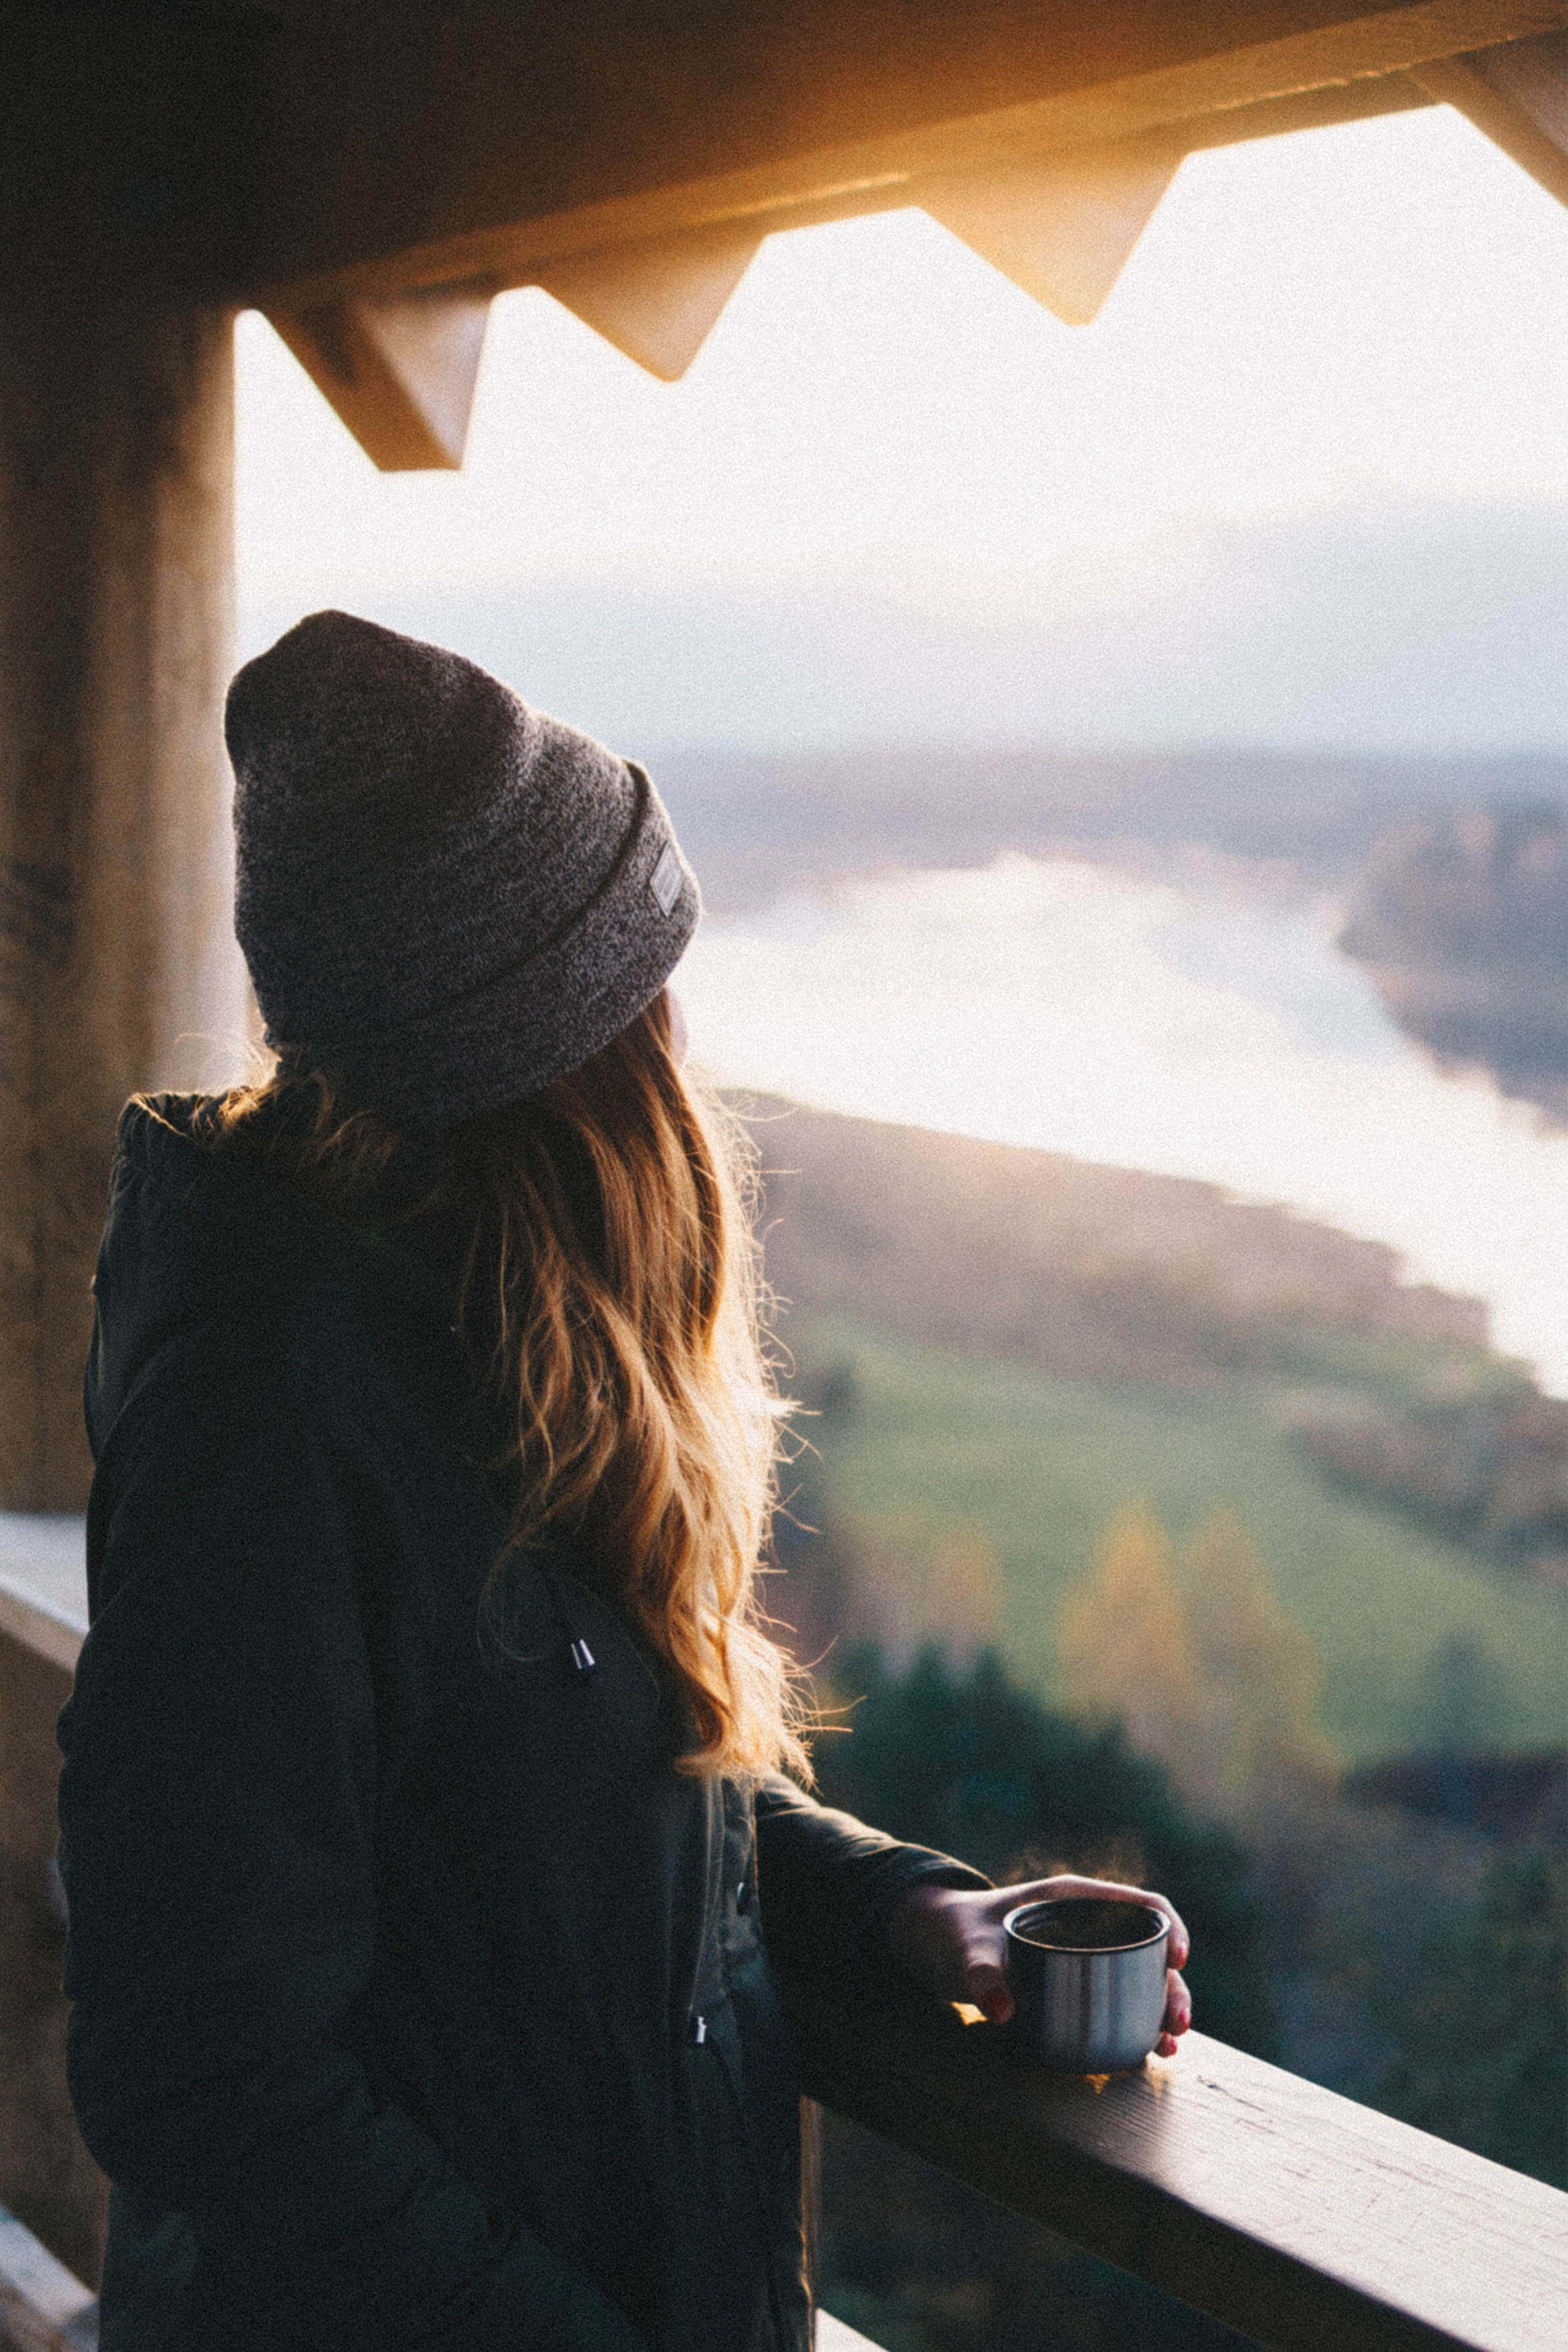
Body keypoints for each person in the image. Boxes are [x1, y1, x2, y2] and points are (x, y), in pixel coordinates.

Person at [55, 612, 1191, 2352]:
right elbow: (201, 2068)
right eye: (647, 973)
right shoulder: (272, 1415)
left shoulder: (487, 1336)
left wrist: (906, 1913)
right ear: (557, 1046)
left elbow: (600, 1812)